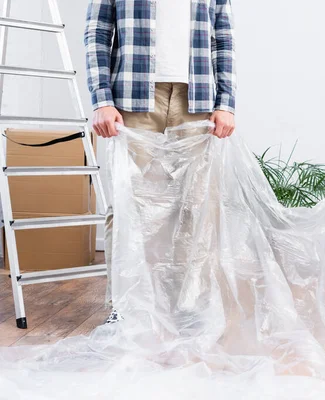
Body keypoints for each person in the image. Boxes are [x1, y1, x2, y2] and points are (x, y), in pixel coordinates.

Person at [84, 0, 236, 323]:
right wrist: (101, 99)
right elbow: (97, 30)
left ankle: (187, 307)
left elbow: (223, 34)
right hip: (132, 96)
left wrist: (227, 102)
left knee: (196, 207)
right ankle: (124, 309)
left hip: (196, 99)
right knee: (126, 208)